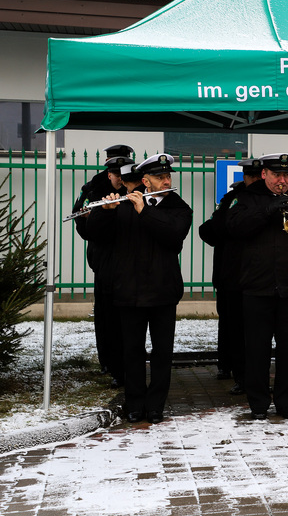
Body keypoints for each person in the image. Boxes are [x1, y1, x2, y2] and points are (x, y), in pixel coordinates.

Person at [85, 153, 192, 424]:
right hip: (128, 292)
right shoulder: (123, 205)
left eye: (168, 176)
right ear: (145, 180)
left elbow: (173, 235)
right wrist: (104, 213)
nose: (166, 180)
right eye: (159, 177)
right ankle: (134, 403)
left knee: (162, 352)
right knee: (131, 352)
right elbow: (94, 235)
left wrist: (145, 211)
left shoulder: (178, 208)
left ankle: (156, 405)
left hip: (162, 292)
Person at [226, 153, 288, 419]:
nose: (282, 181)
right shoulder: (247, 199)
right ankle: (258, 404)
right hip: (256, 286)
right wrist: (266, 211)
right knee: (257, 349)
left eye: (286, 175)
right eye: (276, 175)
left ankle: (286, 403)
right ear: (264, 175)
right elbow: (233, 228)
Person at [198, 157, 262, 395]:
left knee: (250, 328)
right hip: (231, 275)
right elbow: (208, 230)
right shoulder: (231, 201)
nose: (255, 181)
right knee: (231, 325)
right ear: (244, 178)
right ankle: (233, 370)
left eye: (258, 177)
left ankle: (243, 372)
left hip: (252, 275)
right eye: (251, 177)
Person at [71, 144, 133, 385]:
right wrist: (90, 218)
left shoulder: (135, 184)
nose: (120, 177)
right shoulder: (93, 188)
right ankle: (107, 360)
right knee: (106, 315)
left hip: (128, 259)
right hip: (104, 259)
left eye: (123, 170)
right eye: (115, 173)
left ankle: (126, 361)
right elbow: (79, 220)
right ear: (108, 170)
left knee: (125, 316)